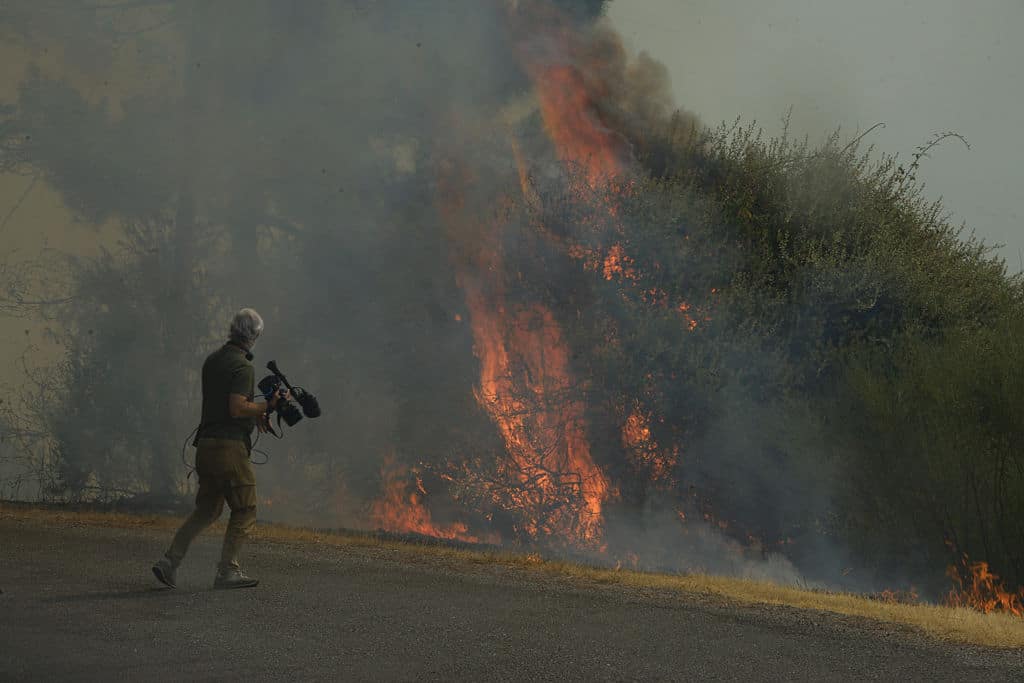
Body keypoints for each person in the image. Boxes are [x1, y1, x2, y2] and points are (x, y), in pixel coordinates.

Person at [152, 308, 286, 590]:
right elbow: (236, 408)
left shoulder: (212, 361)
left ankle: (169, 561)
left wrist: (256, 413)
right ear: (254, 336)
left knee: (207, 509)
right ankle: (227, 571)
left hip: (206, 446)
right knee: (245, 508)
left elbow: (224, 403)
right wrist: (268, 405)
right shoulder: (243, 367)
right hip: (229, 449)